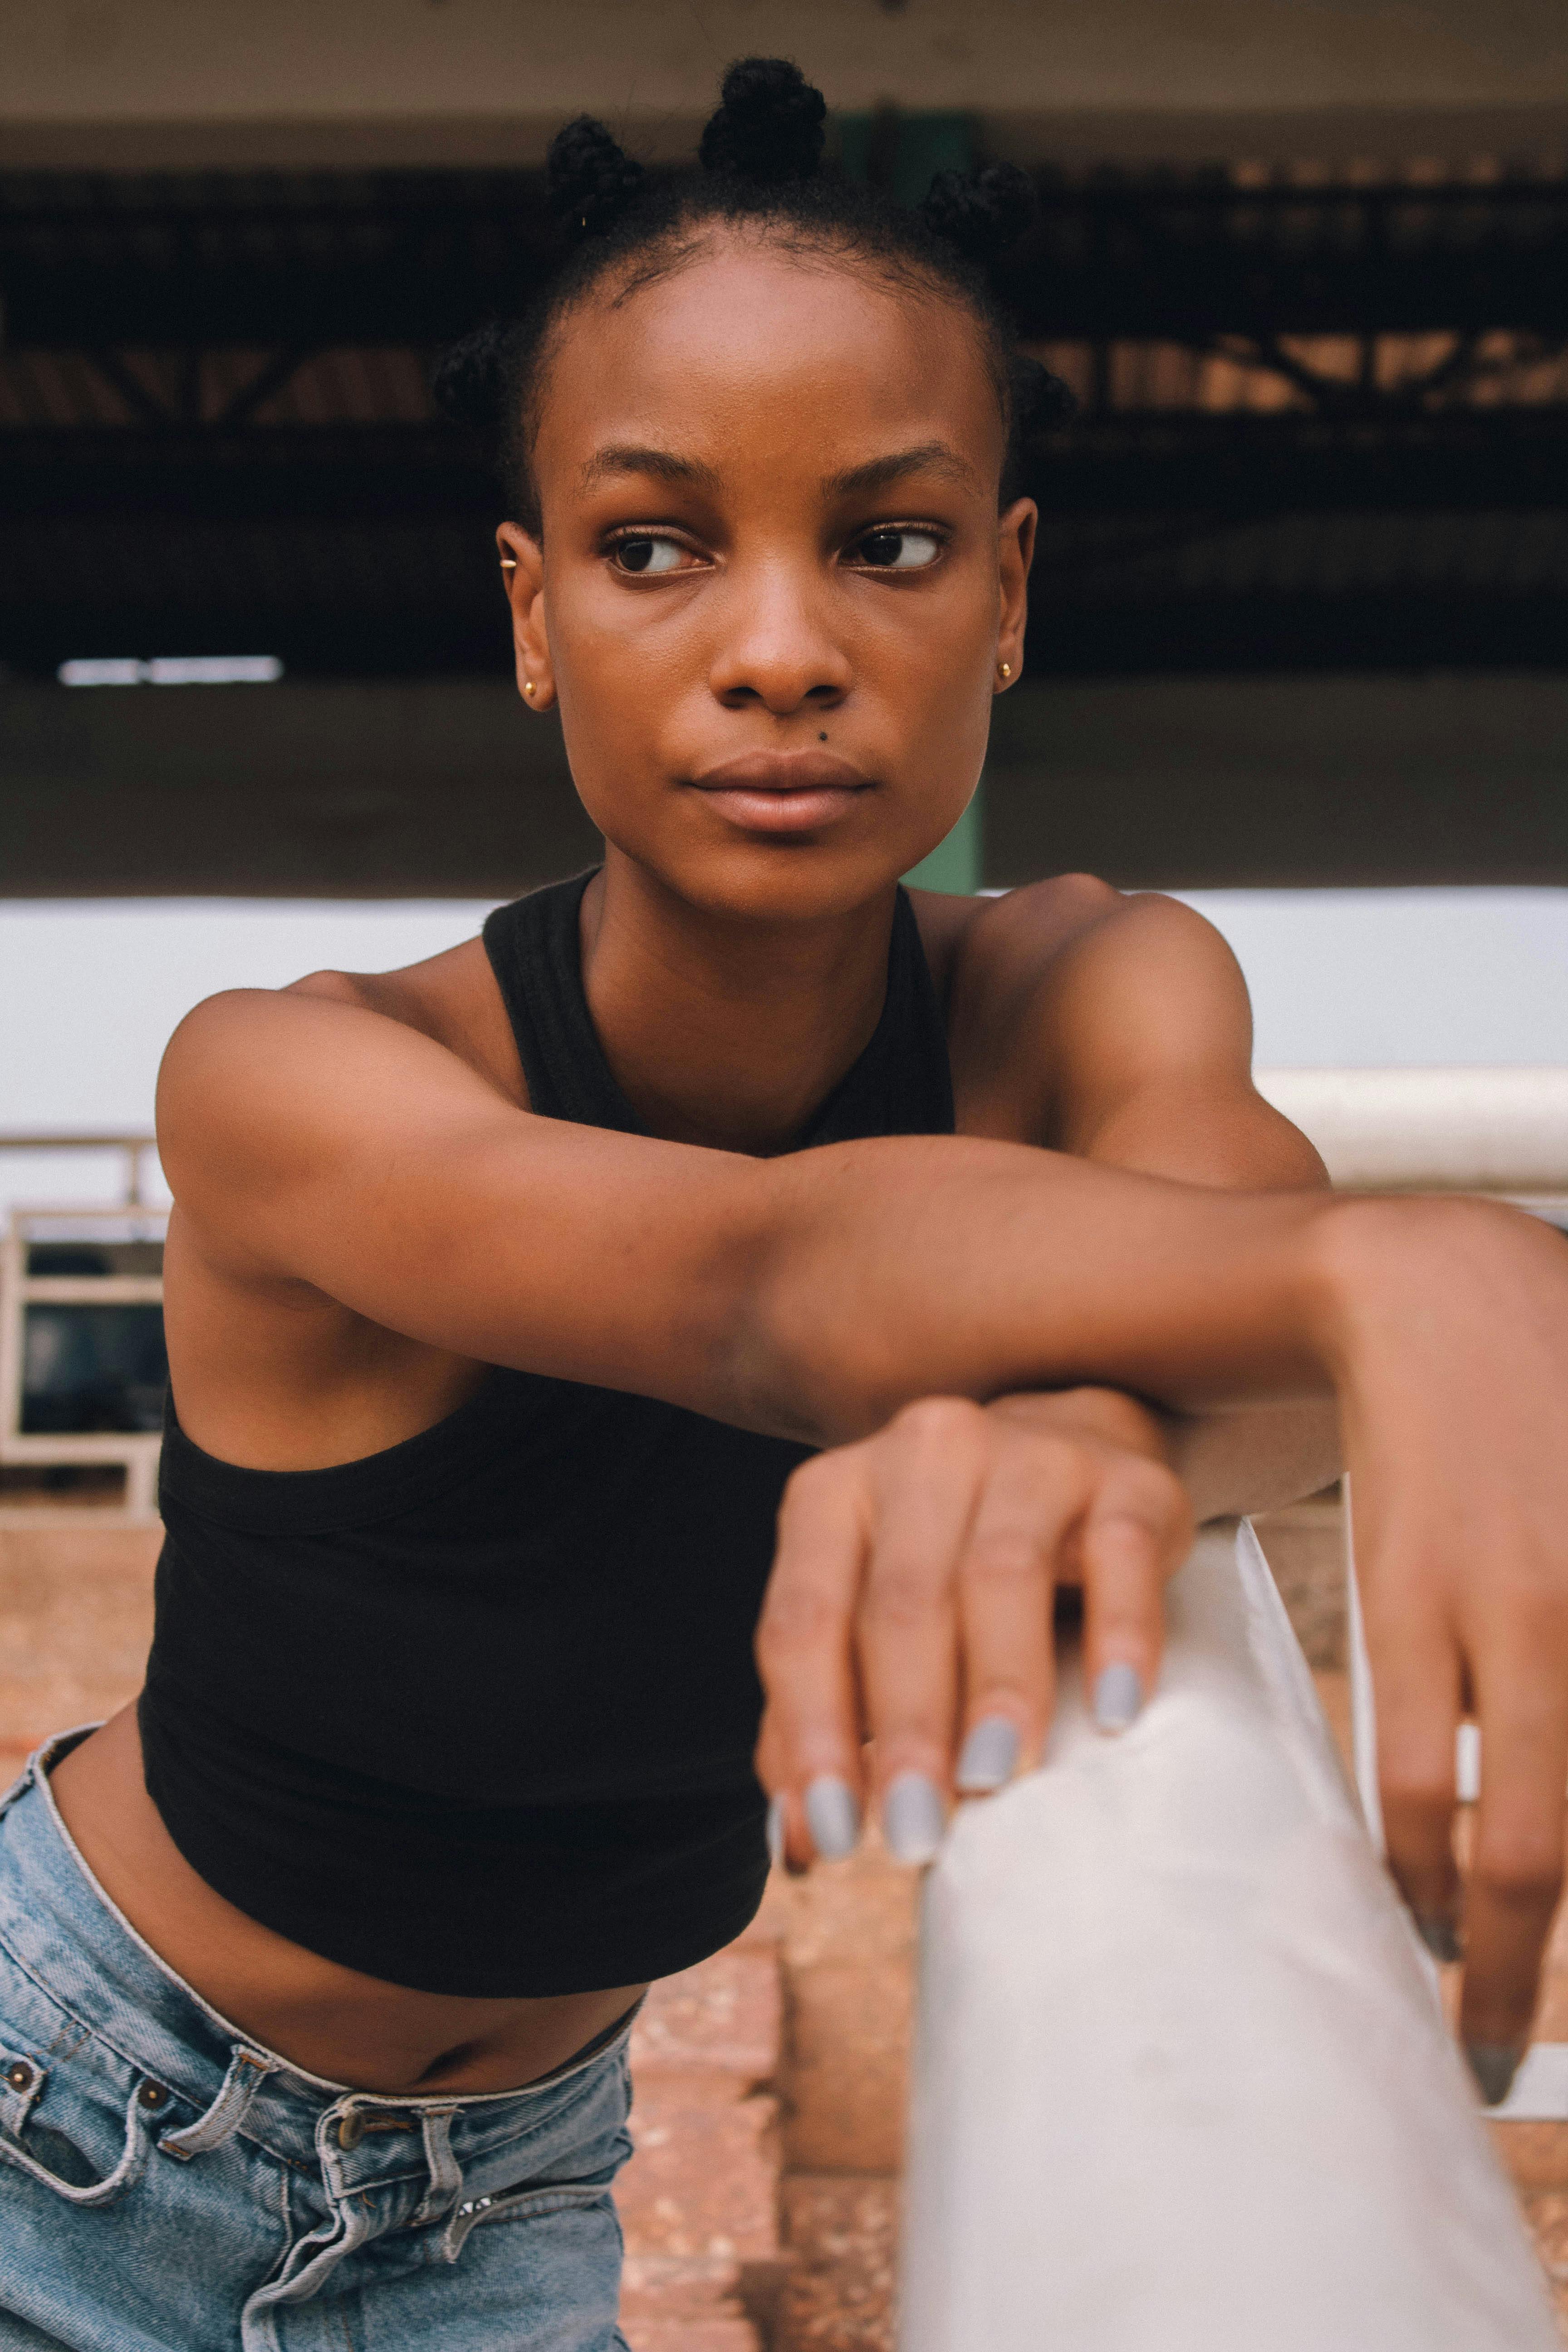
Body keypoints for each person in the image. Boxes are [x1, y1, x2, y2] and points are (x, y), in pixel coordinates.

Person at [3, 57, 1566, 2352]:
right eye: (655, 547)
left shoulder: (1093, 985)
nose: (779, 648)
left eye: (889, 541)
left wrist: (1091, 1438)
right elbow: (760, 1279)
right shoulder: (304, 1078)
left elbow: (1208, 1280)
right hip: (66, 2115)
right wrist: (1405, 1259)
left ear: (1008, 592)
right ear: (531, 616)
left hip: (512, 2203)